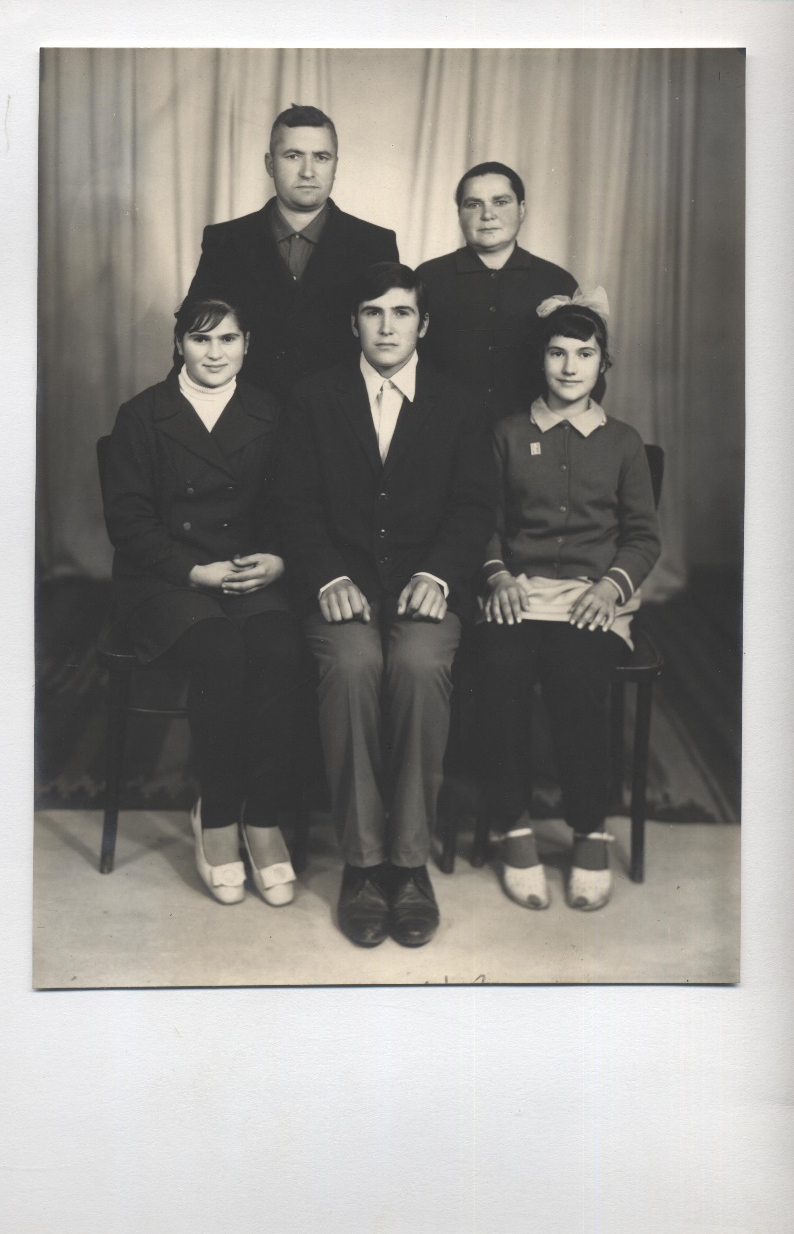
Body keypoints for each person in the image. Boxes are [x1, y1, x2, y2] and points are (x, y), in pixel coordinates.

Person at [275, 262, 496, 948]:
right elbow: (293, 504)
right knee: (351, 667)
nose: (387, 326)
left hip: (424, 583)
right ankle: (364, 864)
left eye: (402, 313)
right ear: (354, 323)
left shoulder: (459, 403)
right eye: (373, 312)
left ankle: (409, 864)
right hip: (339, 584)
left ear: (423, 324)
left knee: (420, 666)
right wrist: (325, 577)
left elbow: (474, 506)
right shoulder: (313, 398)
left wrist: (440, 573)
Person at [102, 295, 302, 908]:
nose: (215, 353)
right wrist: (194, 571)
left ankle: (261, 818)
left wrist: (278, 559)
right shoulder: (142, 415)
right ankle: (215, 816)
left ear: (247, 345)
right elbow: (129, 524)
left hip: (244, 572)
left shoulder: (269, 412)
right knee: (219, 650)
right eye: (201, 339)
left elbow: (292, 506)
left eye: (228, 339)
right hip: (165, 577)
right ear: (179, 345)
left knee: (280, 650)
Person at [475, 290, 660, 911]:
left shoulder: (624, 442)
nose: (570, 366)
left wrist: (610, 587)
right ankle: (514, 826)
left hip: (592, 598)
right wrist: (498, 577)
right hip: (518, 593)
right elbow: (484, 524)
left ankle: (589, 827)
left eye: (584, 354)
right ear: (541, 360)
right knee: (500, 671)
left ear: (604, 363)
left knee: (575, 676)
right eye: (557, 353)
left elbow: (643, 537)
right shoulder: (506, 434)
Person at [186, 104, 399, 398]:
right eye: (293, 156)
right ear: (270, 164)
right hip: (244, 413)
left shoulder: (375, 243)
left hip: (340, 413)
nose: (308, 171)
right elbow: (193, 331)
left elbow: (391, 346)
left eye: (321, 157)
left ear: (335, 165)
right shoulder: (225, 240)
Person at [416, 161, 579, 421]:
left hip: (534, 433)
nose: (487, 215)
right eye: (473, 204)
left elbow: (584, 371)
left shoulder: (557, 281)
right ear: (459, 213)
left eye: (500, 202)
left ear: (522, 209)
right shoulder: (428, 277)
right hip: (444, 431)